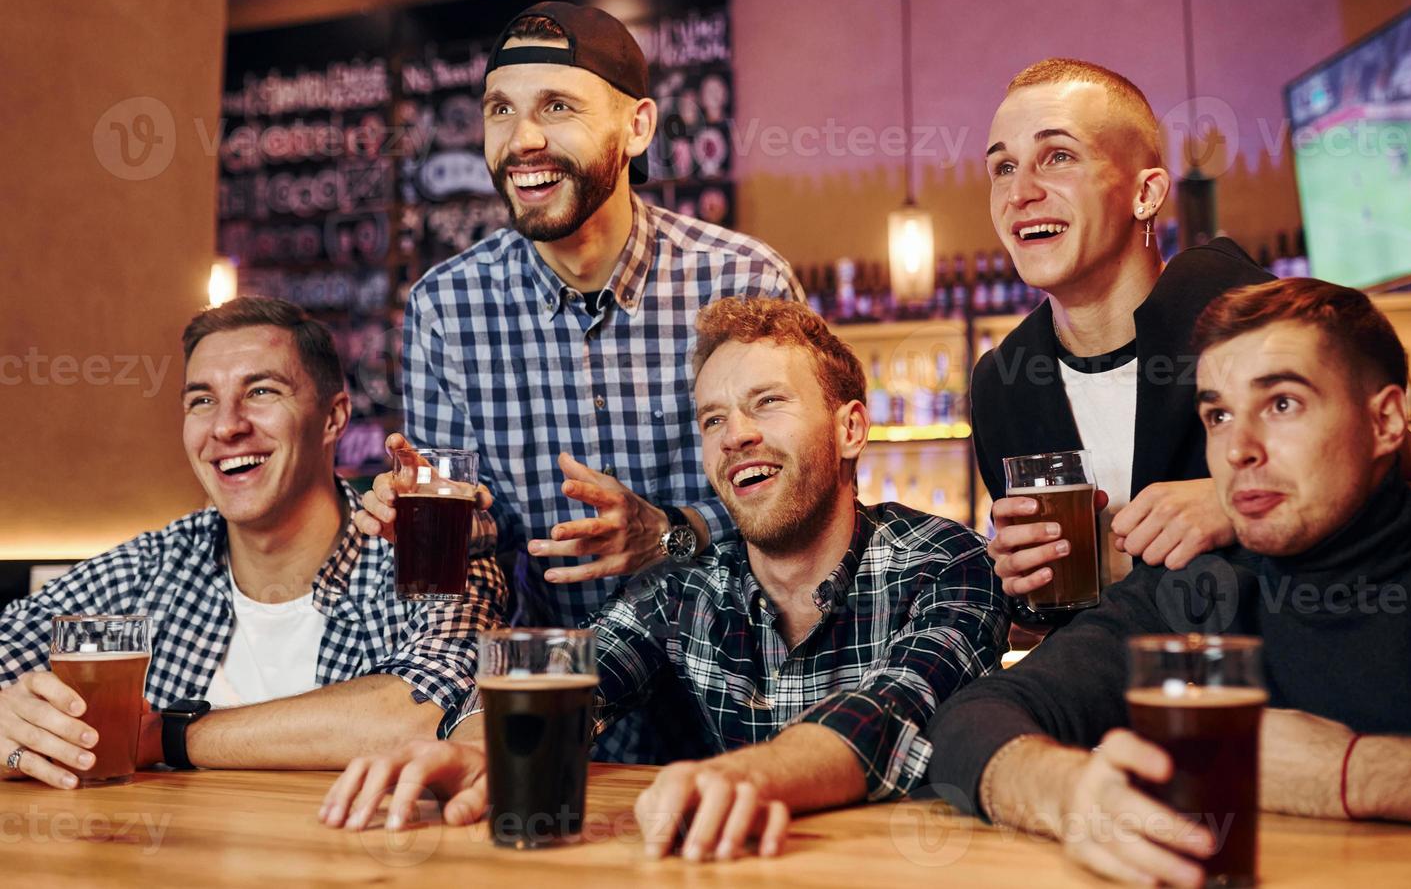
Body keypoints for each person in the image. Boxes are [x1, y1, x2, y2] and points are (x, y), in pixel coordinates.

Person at [928, 278, 1411, 887]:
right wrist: (1067, 791)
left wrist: (1353, 776)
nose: (1238, 450)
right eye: (1217, 417)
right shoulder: (1194, 597)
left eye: (1282, 403)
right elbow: (969, 722)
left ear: (1385, 422)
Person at [321, 298, 1009, 861]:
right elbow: (577, 674)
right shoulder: (686, 587)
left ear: (851, 428)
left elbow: (887, 714)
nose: (735, 434)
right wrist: (478, 749)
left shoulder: (946, 563)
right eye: (714, 418)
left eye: (767, 403)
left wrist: (741, 777)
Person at [352, 1, 800, 763]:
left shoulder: (742, 281)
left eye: (556, 107)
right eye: (500, 110)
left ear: (638, 128)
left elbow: (807, 505)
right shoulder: (444, 307)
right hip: (555, 719)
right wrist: (430, 526)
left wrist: (664, 534)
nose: (522, 140)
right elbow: (473, 557)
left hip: (742, 709)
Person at [973, 58, 1411, 624]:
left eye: (1058, 156)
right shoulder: (1003, 383)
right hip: (1118, 697)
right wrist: (1019, 583)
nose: (1020, 192)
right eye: (1003, 168)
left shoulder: (1257, 318)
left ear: (1146, 193)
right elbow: (1054, 617)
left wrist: (1243, 503)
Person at [0, 297, 508, 789]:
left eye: (261, 391)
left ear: (333, 418)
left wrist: (165, 736)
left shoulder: (427, 553)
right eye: (202, 400)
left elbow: (431, 714)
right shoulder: (151, 567)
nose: (226, 426)